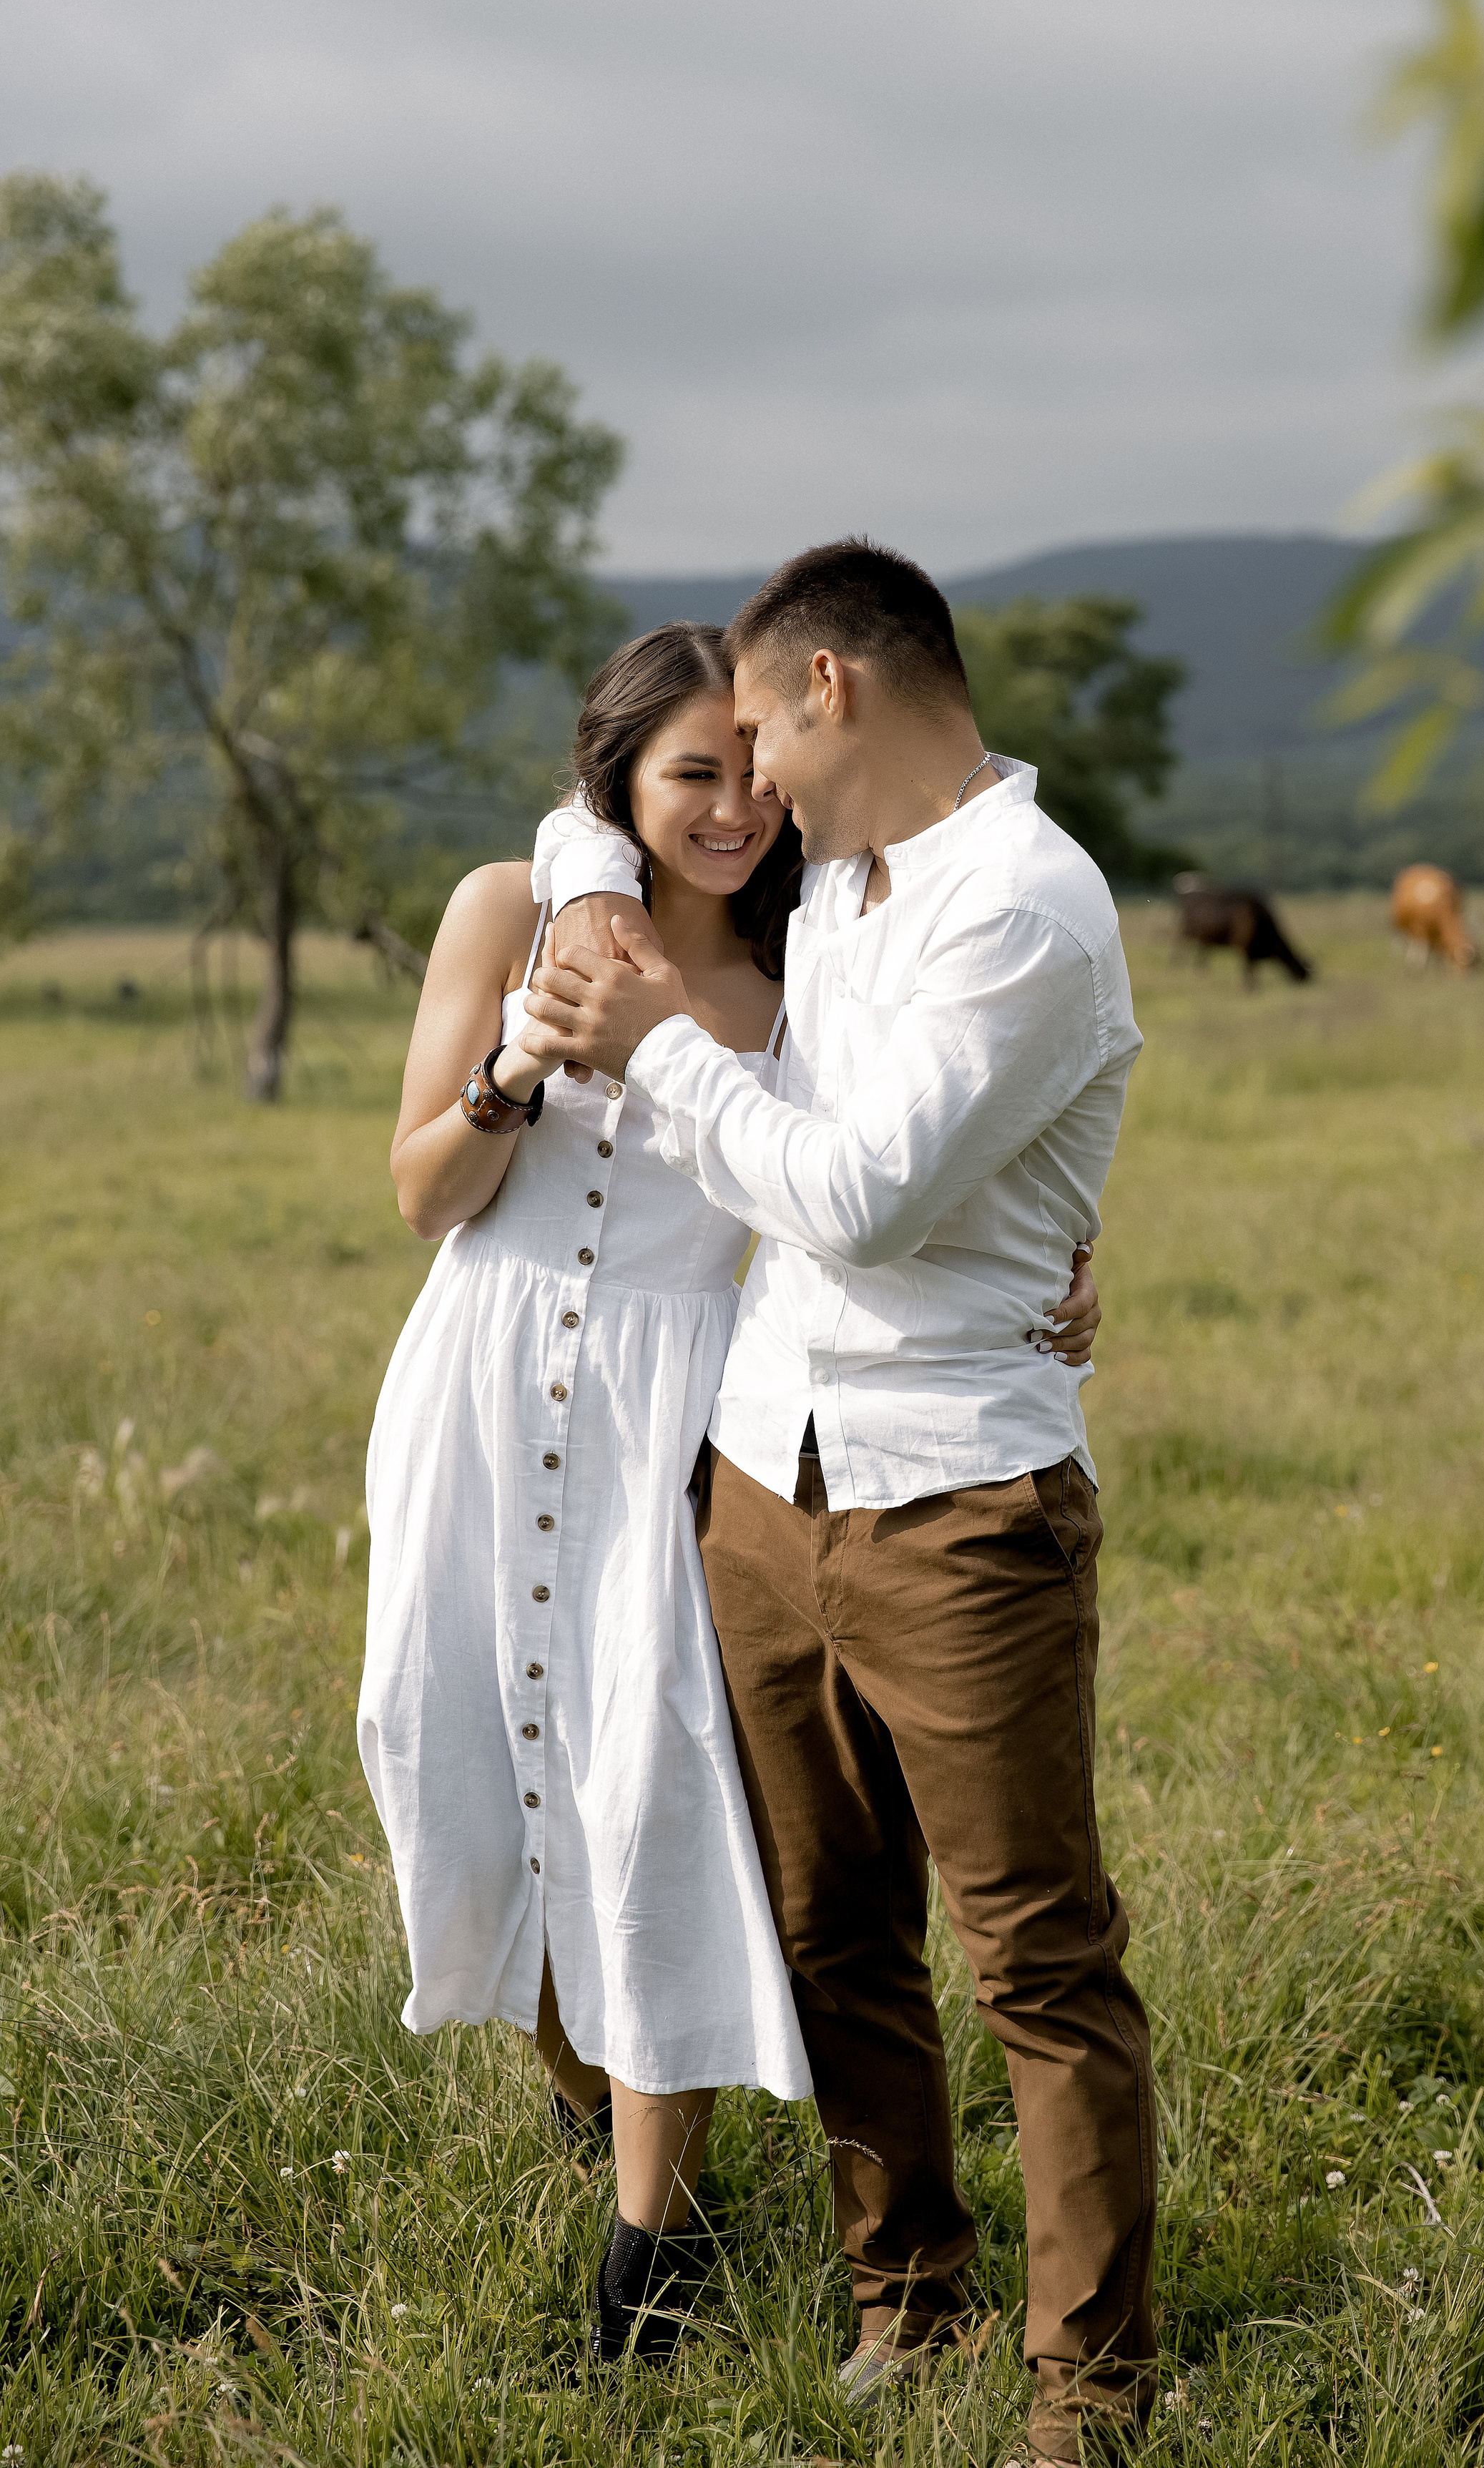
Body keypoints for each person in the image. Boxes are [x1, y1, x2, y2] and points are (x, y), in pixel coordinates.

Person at [357, 620, 1104, 2369]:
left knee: (642, 1809)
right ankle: (593, 2085)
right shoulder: (510, 909)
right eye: (691, 774)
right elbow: (420, 1194)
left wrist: (1068, 1252)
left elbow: (913, 1156)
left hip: (676, 1415)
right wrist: (516, 1068)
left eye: (752, 774)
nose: (736, 809)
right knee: (451, 1779)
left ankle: (652, 2243)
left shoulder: (808, 966)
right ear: (614, 780)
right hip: (477, 1394)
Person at [518, 541, 1157, 2466]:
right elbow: (588, 846)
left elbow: (869, 1188)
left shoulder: (1026, 907)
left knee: (1034, 1953)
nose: (755, 784)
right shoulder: (848, 886)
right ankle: (909, 2299)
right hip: (763, 1478)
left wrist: (660, 1058)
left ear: (834, 689)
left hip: (956, 1495)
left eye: (765, 735)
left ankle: (1089, 2395)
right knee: (833, 1926)